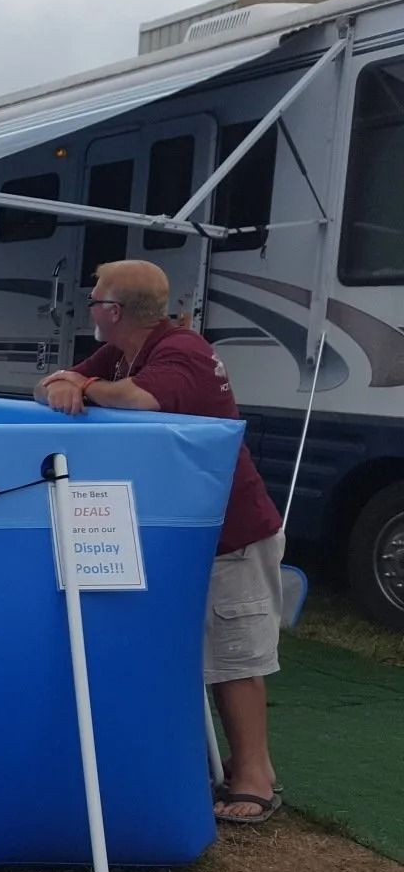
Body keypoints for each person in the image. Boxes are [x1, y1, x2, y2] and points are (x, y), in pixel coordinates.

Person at [35, 260, 284, 825]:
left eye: (95, 299)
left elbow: (144, 400)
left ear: (113, 312)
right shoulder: (124, 351)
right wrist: (68, 382)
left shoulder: (182, 351)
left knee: (236, 651)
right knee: (204, 649)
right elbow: (51, 382)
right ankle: (224, 766)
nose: (90, 307)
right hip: (190, 529)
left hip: (233, 530)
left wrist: (85, 387)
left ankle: (255, 776)